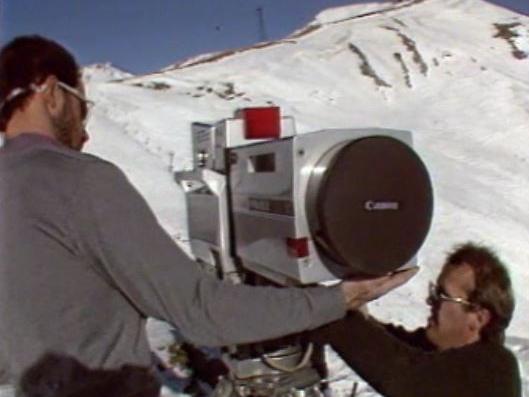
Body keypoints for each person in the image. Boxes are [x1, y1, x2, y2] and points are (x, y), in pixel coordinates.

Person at [0, 35, 415, 395]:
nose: (85, 129)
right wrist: (343, 297)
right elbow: (199, 313)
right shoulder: (81, 180)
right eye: (82, 107)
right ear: (52, 93)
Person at [312, 242, 522, 397]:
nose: (431, 302)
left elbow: (403, 371)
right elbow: (393, 342)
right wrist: (351, 307)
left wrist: (326, 308)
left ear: (478, 318)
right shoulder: (444, 353)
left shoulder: (494, 368)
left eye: (442, 296)